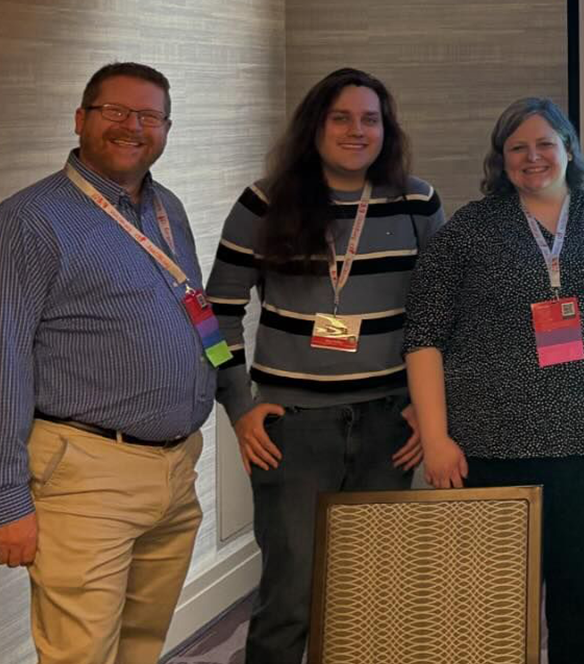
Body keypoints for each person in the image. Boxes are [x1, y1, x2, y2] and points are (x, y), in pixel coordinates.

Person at [206, 67, 445, 663]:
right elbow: (213, 321)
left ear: (386, 130)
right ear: (315, 125)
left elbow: (442, 318)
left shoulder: (418, 203)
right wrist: (239, 407)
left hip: (391, 426)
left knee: (373, 597)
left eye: (370, 119)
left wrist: (430, 410)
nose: (356, 131)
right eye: (341, 117)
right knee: (290, 596)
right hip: (292, 428)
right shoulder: (263, 204)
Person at [0, 62, 217, 664]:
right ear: (81, 118)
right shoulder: (28, 221)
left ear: (166, 129)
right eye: (115, 111)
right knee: (80, 655)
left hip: (174, 469)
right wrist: (3, 500)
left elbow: (196, 314)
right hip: (85, 476)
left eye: (149, 116)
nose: (132, 126)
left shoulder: (167, 207)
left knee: (140, 647)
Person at [403, 97, 584, 664]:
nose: (532, 157)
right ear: (501, 159)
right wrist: (435, 441)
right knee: (489, 608)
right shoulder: (470, 229)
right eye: (517, 147)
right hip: (491, 450)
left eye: (545, 144)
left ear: (568, 149)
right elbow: (425, 338)